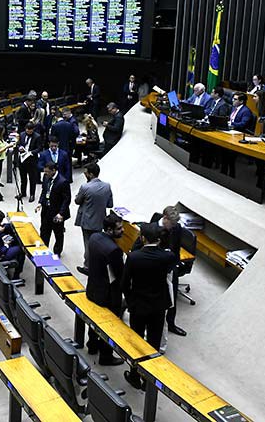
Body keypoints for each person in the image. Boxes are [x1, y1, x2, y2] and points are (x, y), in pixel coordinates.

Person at [121, 225, 179, 390]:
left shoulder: (134, 258)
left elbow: (125, 284)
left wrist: (131, 302)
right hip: (158, 307)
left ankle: (134, 374)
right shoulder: (168, 257)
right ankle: (149, 381)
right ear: (159, 240)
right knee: (153, 343)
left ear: (142, 238)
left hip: (138, 306)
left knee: (137, 343)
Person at [139, 206, 188, 337]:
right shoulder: (152, 226)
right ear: (164, 218)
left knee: (171, 299)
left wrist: (174, 265)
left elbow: (176, 248)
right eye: (172, 223)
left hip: (170, 267)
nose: (173, 226)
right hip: (153, 268)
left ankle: (171, 323)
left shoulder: (176, 228)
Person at [86, 212, 125, 365]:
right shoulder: (114, 250)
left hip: (93, 288)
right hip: (108, 295)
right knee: (110, 326)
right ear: (109, 230)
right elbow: (120, 274)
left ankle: (92, 345)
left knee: (94, 319)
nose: (123, 231)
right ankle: (106, 356)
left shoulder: (95, 237)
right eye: (119, 228)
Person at [74, 163, 114, 274]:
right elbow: (110, 204)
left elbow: (77, 201)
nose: (85, 174)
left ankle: (88, 267)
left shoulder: (85, 187)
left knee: (88, 244)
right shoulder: (107, 186)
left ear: (91, 174)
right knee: (97, 243)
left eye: (86, 172)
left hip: (87, 221)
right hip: (100, 220)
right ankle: (98, 264)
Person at [36, 162, 71, 256]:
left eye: (47, 172)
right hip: (46, 210)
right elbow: (44, 191)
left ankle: (57, 251)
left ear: (53, 171)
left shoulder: (63, 181)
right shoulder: (46, 177)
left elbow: (66, 200)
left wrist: (61, 213)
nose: (45, 174)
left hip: (57, 212)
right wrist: (40, 202)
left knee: (58, 233)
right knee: (44, 231)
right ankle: (44, 249)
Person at [16, 122, 42, 203]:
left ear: (33, 130)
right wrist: (20, 147)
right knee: (23, 178)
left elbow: (39, 148)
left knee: (32, 179)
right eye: (27, 130)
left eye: (30, 131)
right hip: (22, 159)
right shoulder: (22, 134)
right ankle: (23, 193)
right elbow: (19, 144)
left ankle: (32, 194)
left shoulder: (37, 137)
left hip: (32, 160)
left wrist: (31, 152)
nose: (28, 132)